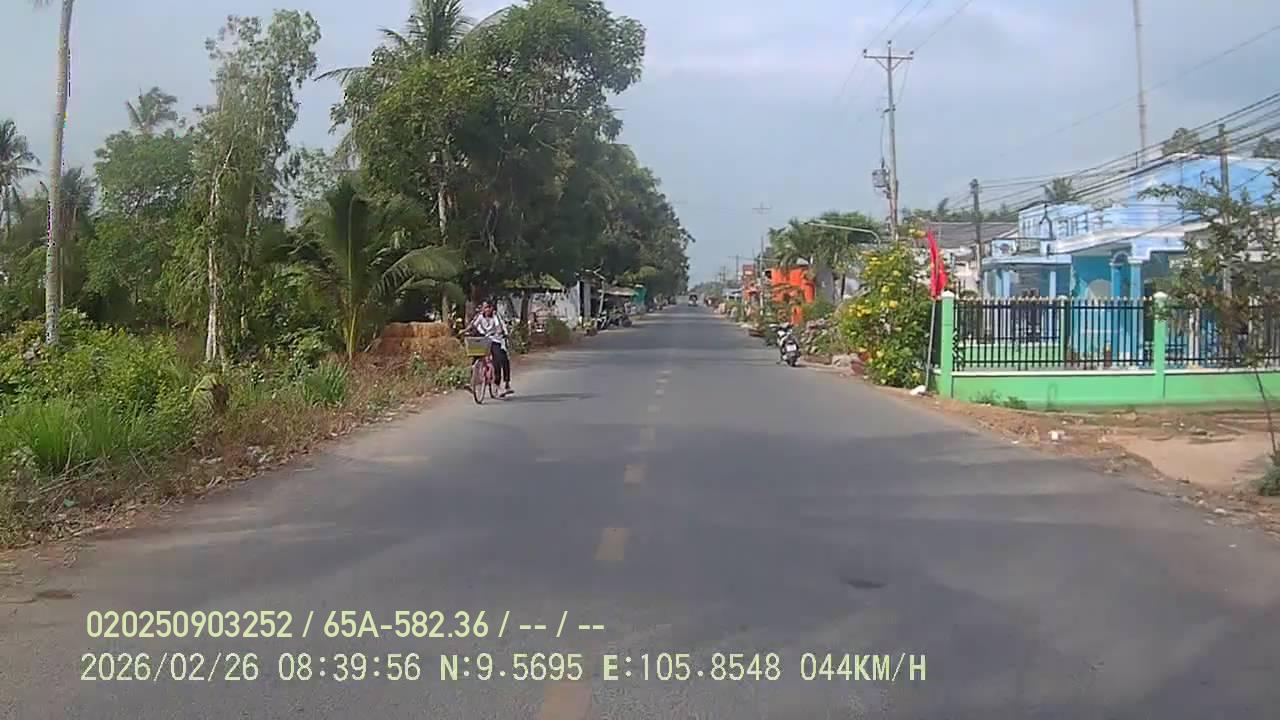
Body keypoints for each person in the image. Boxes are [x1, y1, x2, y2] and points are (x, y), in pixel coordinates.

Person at [468, 301, 513, 396]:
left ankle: (498, 384)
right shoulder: (480, 316)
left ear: (492, 308)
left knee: (498, 360)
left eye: (488, 307)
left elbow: (499, 327)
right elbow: (473, 325)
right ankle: (472, 381)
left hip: (495, 339)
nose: (487, 310)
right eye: (485, 307)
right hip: (484, 340)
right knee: (475, 357)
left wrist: (500, 332)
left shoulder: (496, 316)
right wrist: (465, 331)